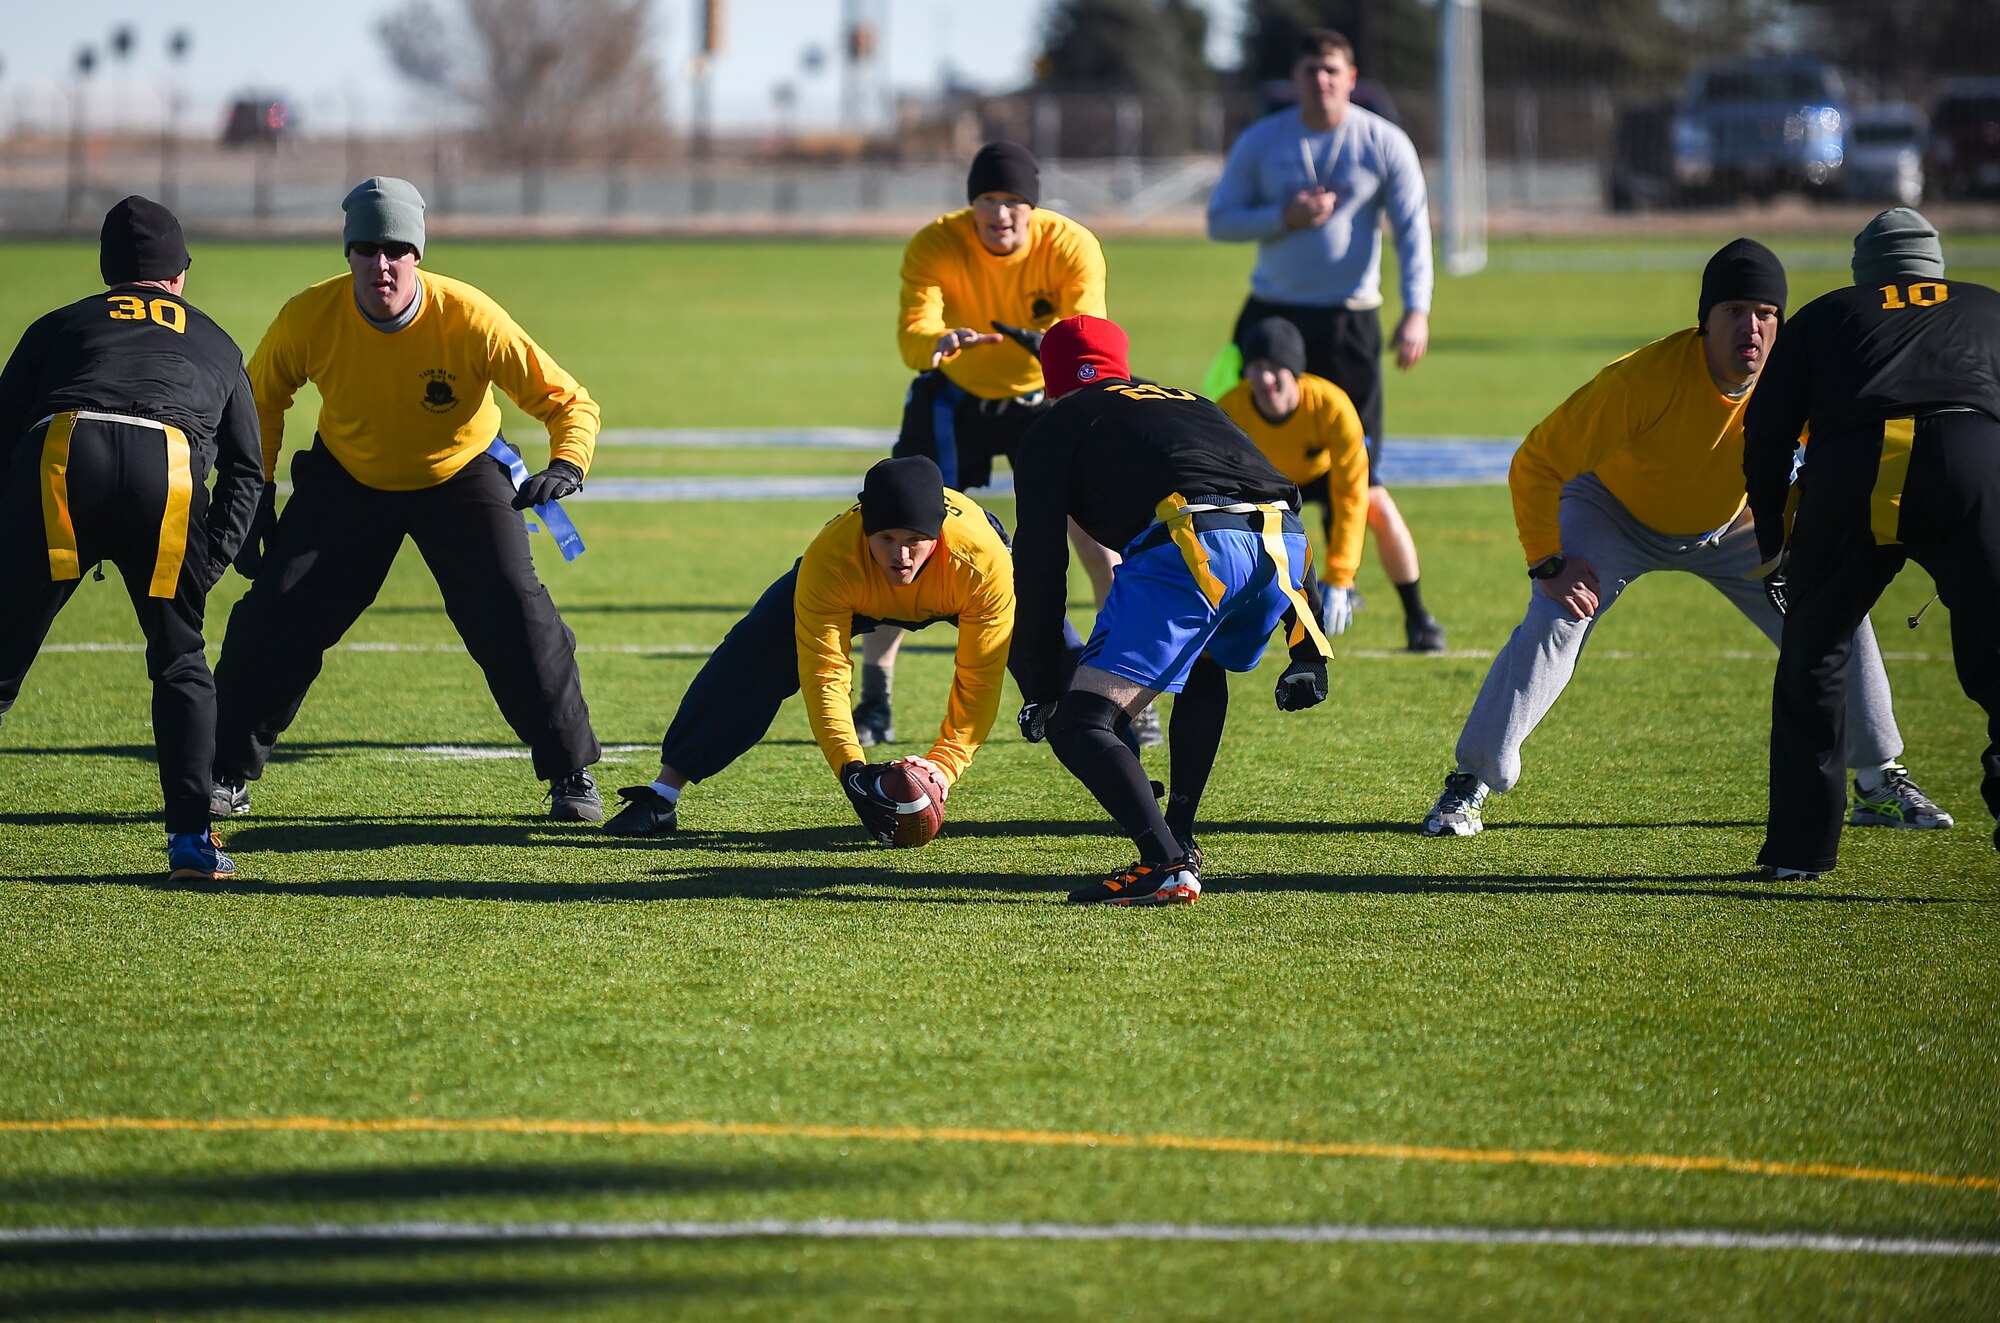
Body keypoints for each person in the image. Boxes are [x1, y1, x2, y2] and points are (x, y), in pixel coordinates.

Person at [1420, 238, 1949, 841]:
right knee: (1554, 620)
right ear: (1705, 321)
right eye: (1733, 312)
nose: (1750, 327)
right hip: (1614, 515)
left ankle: (1879, 779)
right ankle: (1472, 782)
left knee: (1836, 606)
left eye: (1765, 313)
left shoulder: (1798, 379)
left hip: (1738, 525)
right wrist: (1548, 562)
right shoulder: (1639, 380)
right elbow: (1537, 461)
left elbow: (1844, 456)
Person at [209, 177, 606, 822]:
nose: (381, 263)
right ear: (348, 253)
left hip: (461, 474)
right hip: (348, 479)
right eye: (366, 247)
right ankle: (225, 770)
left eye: (396, 247)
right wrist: (253, 495)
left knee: (514, 610)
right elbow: (258, 402)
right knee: (279, 609)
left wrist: (568, 462)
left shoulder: (470, 315)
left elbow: (568, 400)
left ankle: (569, 774)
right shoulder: (309, 316)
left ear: (418, 253)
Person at [1012, 316, 1333, 906]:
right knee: (1202, 664)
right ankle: (1178, 834)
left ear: (1051, 379)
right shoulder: (1194, 400)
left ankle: (1164, 861)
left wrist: (1040, 681)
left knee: (1081, 724)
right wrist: (1307, 646)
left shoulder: (1056, 421)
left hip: (1194, 545)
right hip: (1281, 551)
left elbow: (1038, 559)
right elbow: (1278, 496)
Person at [0, 197, 264, 878]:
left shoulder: (59, 323)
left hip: (64, 454)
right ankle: (190, 844)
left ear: (109, 274)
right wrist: (213, 556)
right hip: (166, 471)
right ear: (177, 275)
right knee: (179, 660)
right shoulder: (214, 337)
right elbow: (248, 466)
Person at [868, 142, 1161, 749]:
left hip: (1045, 400)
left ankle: (1130, 689)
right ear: (970, 205)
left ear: (1034, 207)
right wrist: (939, 342)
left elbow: (1089, 338)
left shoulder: (1072, 245)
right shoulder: (934, 243)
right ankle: (876, 693)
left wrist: (1042, 343)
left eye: (1013, 203)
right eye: (987, 202)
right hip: (954, 397)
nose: (1000, 215)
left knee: (1098, 533)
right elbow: (911, 333)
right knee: (905, 531)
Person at [1746, 209, 1997, 878]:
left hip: (1856, 471)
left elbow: (1766, 439)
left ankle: (1801, 853)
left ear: (1866, 274)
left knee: (1815, 654)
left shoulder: (1828, 314)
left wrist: (1775, 548)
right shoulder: (1986, 307)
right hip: (1971, 465)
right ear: (1935, 268)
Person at [602, 456, 1013, 842]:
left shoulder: (982, 564)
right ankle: (662, 795)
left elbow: (978, 679)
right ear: (865, 528)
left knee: (1050, 654)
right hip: (858, 590)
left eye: (915, 540)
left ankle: (1081, 763)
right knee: (754, 648)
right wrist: (850, 769)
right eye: (885, 538)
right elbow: (825, 674)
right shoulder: (832, 558)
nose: (900, 556)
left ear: (938, 535)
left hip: (960, 582)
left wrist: (943, 767)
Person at [1206, 27, 1444, 655]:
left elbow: (1415, 231)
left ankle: (1410, 613)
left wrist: (1417, 310)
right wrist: (1280, 218)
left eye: (1333, 70)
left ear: (1352, 74)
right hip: (1269, 318)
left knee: (1363, 476)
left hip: (1349, 322)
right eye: (1311, 70)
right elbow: (1219, 219)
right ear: (1297, 75)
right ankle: (1229, 587)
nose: (1322, 81)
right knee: (1235, 466)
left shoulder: (1384, 141)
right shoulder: (1264, 140)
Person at [1214, 317, 1369, 640]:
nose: (1265, 377)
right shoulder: (1231, 407)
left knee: (1378, 504)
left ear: (1295, 369)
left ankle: (1418, 618)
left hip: (1320, 476)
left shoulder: (1332, 405)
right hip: (1265, 482)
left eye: (1275, 366)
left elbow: (1352, 494)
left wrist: (1341, 576)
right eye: (1256, 366)